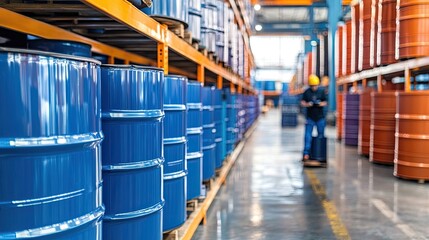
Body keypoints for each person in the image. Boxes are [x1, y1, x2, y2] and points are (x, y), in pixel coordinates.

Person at [301, 74, 327, 161]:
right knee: (308, 136)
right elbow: (302, 102)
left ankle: (320, 154)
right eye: (312, 86)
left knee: (321, 136)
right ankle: (306, 154)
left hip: (320, 118)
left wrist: (320, 104)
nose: (314, 87)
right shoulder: (306, 92)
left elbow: (325, 102)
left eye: (315, 86)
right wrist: (308, 104)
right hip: (310, 118)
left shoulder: (321, 91)